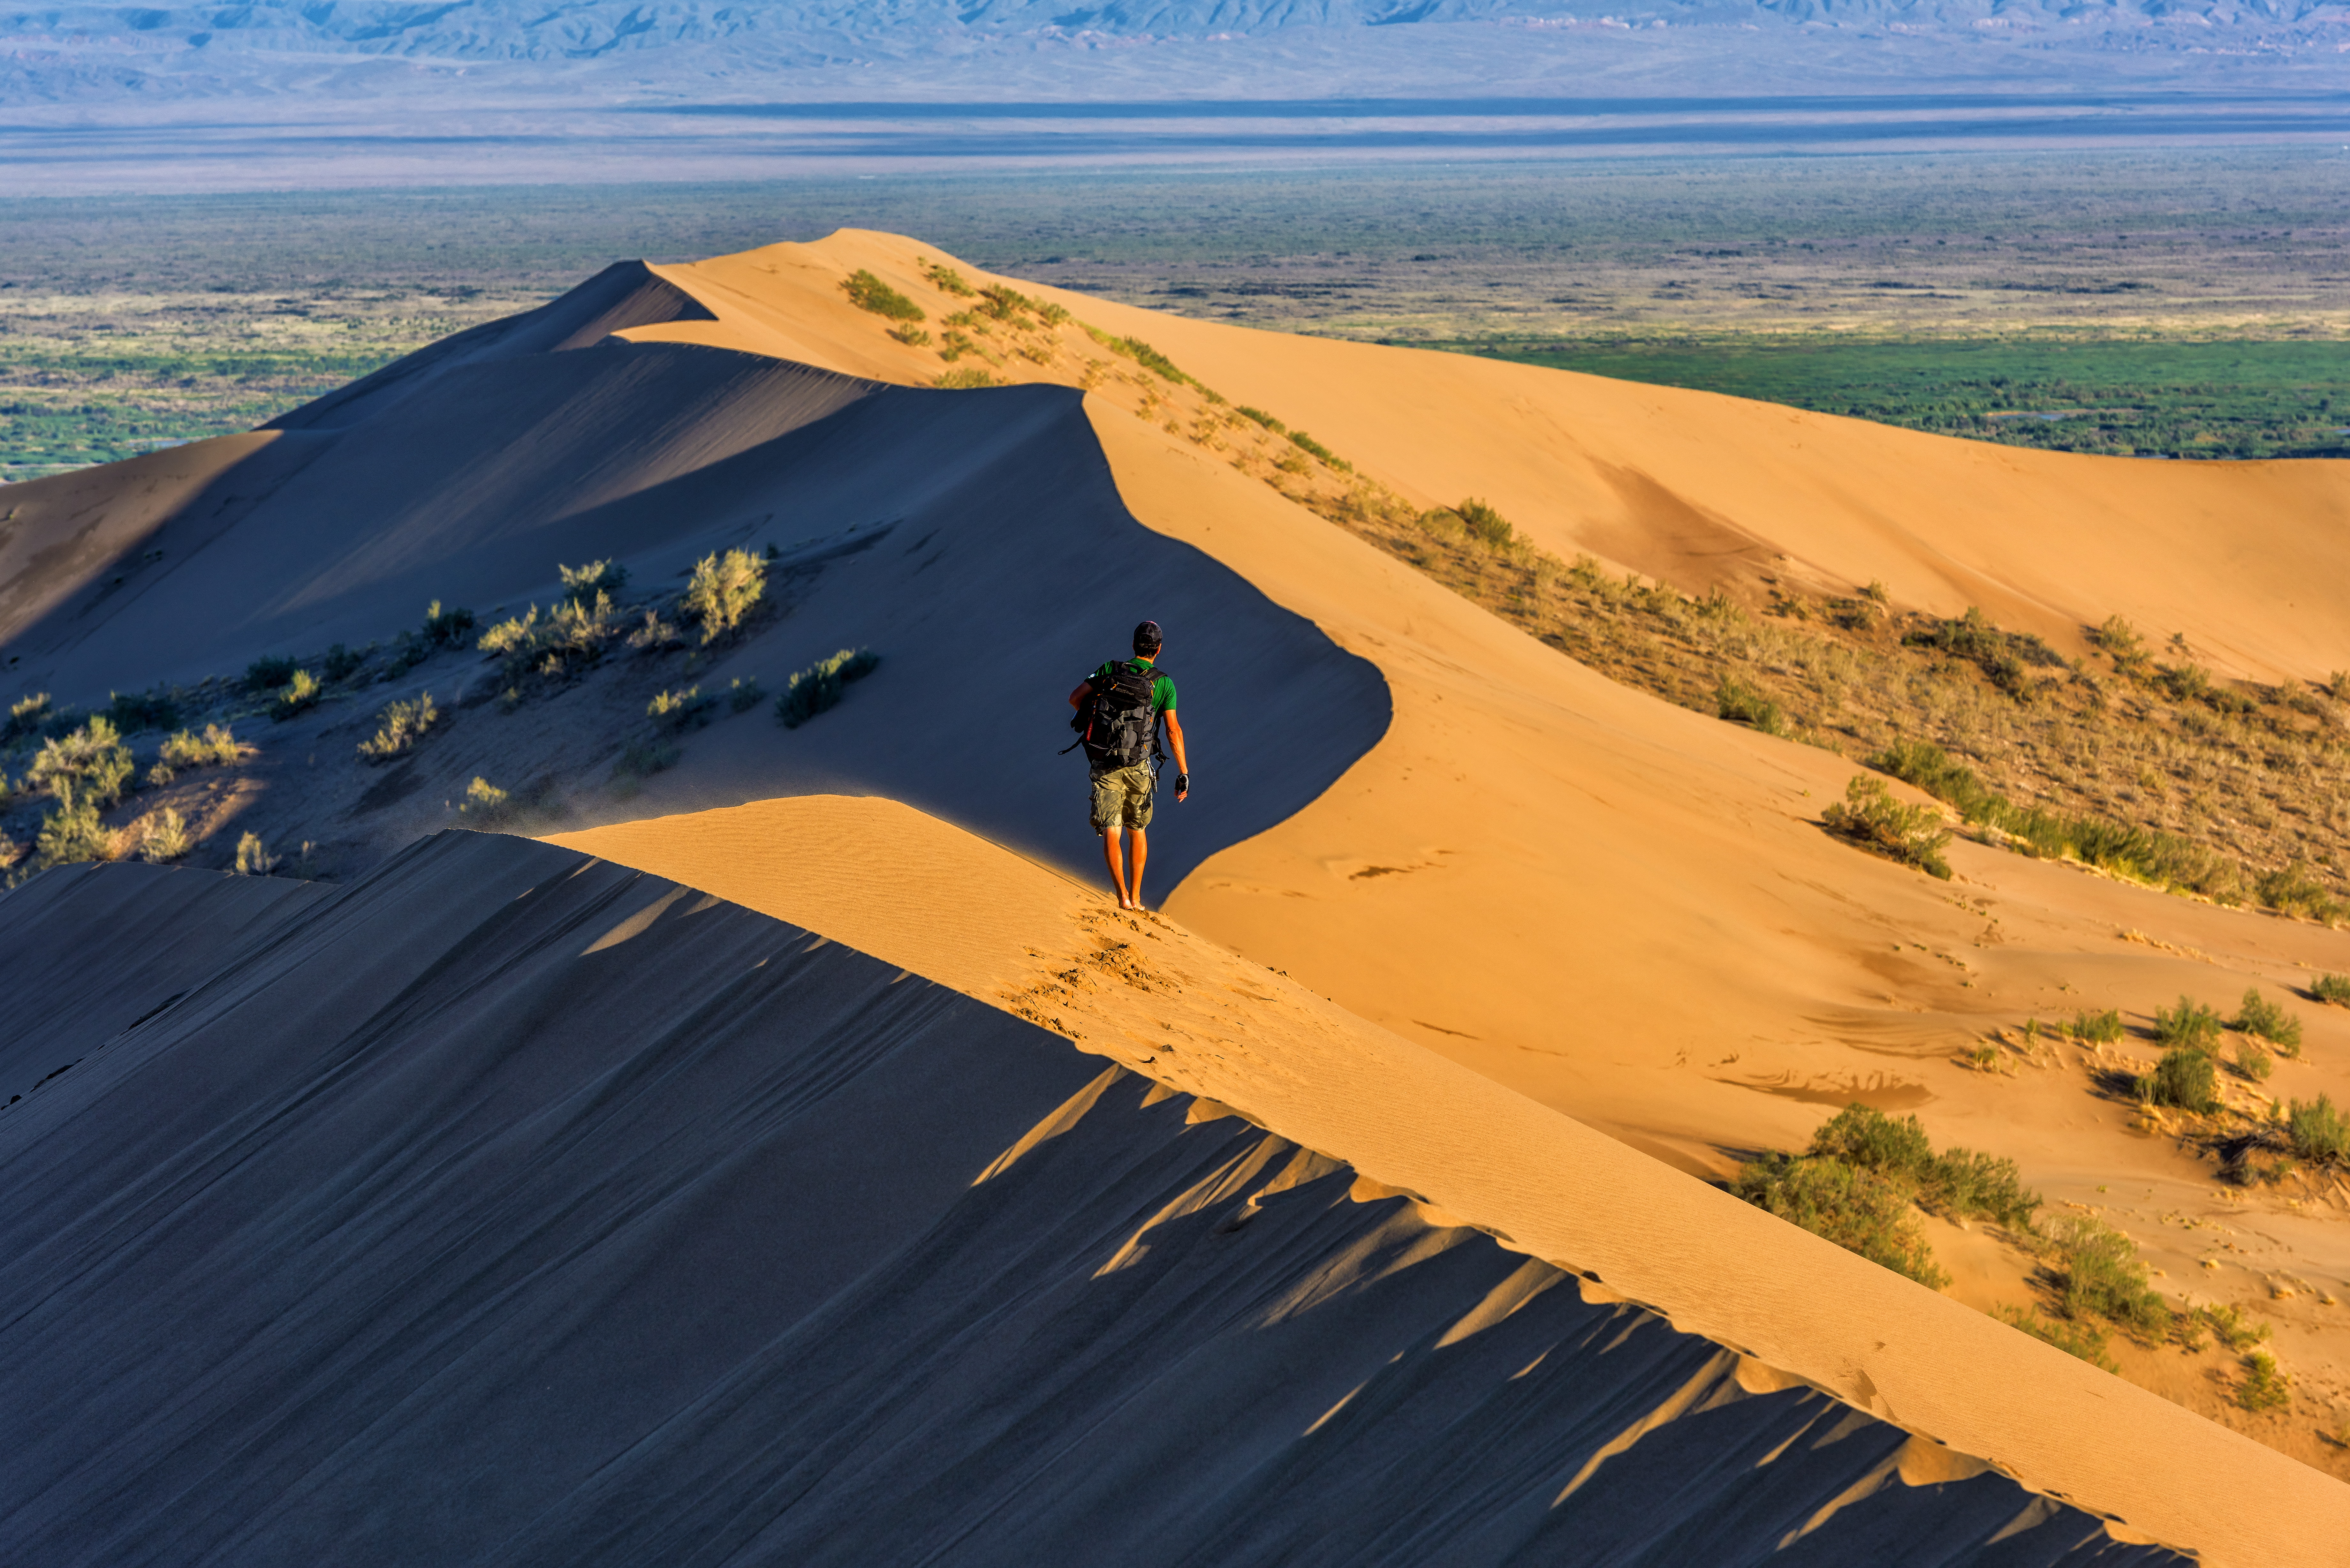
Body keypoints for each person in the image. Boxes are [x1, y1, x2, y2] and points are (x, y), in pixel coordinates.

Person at [1067, 619, 1189, 911]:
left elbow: (1075, 699)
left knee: (1112, 829)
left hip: (1105, 761)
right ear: (1158, 650)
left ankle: (1121, 897)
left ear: (1133, 645)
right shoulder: (1164, 683)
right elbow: (1173, 731)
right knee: (1138, 829)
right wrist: (1183, 772)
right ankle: (1136, 898)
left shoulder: (1109, 670)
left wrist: (1095, 720)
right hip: (1139, 764)